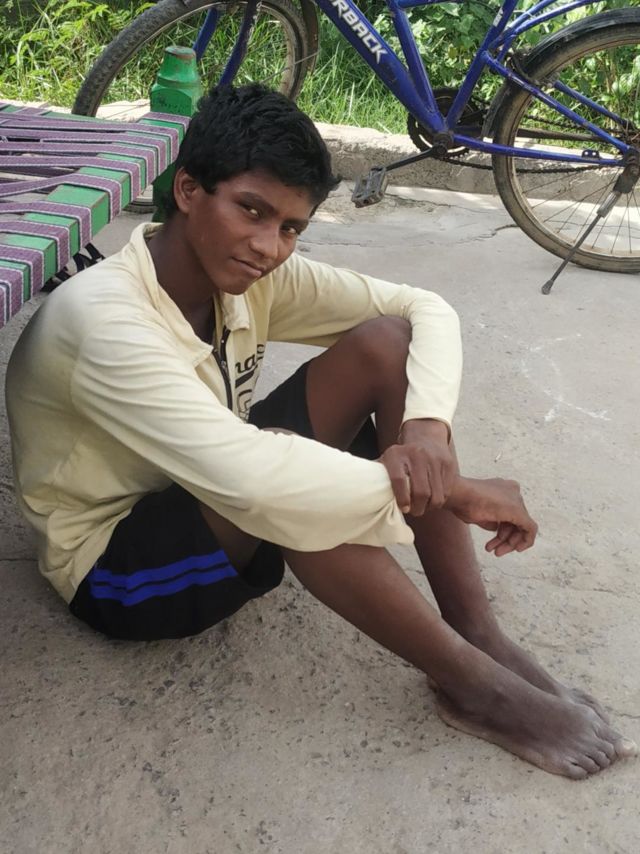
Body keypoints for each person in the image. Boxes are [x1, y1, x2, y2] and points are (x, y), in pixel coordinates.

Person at [5, 84, 635, 779]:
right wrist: (454, 491)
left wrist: (427, 435)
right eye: (251, 210)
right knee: (291, 484)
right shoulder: (106, 322)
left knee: (385, 345)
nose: (268, 247)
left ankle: (477, 630)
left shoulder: (246, 275)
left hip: (210, 482)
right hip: (118, 571)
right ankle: (476, 688)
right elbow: (255, 479)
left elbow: (422, 310)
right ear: (186, 189)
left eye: (291, 228)